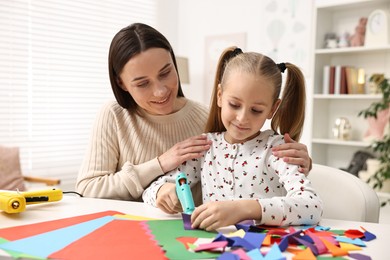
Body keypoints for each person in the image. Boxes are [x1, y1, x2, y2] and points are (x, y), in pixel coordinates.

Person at [76, 23, 312, 204]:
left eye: (165, 72)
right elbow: (88, 188)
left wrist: (302, 162)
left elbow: (247, 158)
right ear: (122, 83)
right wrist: (159, 164)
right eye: (142, 83)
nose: (160, 90)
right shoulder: (114, 116)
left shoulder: (208, 117)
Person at [143, 47, 322, 230]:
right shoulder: (206, 147)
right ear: (220, 96)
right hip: (211, 248)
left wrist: (244, 209)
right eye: (234, 104)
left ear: (272, 109)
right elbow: (149, 192)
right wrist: (162, 192)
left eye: (256, 110)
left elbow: (312, 206)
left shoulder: (276, 150)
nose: (242, 118)